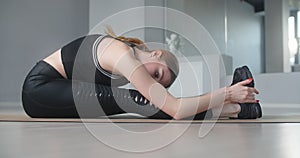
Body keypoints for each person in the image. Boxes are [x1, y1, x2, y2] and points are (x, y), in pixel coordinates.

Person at [22, 27, 261, 120]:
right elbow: (175, 109)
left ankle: (234, 110)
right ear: (155, 54)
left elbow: (171, 106)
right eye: (157, 74)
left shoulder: (127, 62)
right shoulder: (123, 56)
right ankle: (235, 109)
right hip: (40, 89)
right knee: (137, 100)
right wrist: (226, 93)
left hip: (55, 93)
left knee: (142, 100)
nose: (152, 80)